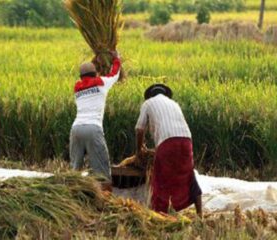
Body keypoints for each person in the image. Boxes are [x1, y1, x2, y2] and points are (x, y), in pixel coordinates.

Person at [135, 84, 202, 217]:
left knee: (160, 178)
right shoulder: (174, 104)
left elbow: (139, 129)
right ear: (166, 94)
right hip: (186, 140)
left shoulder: (148, 103)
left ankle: (160, 214)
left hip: (167, 142)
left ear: (150, 96)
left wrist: (139, 150)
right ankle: (199, 213)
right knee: (188, 175)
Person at [70, 51, 121, 187]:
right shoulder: (101, 82)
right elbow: (115, 74)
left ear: (81, 76)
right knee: (102, 172)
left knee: (74, 171)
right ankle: (105, 199)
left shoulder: (77, 87)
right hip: (93, 128)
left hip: (76, 129)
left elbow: (87, 83)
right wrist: (116, 58)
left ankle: (70, 197)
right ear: (95, 73)